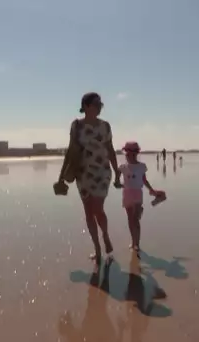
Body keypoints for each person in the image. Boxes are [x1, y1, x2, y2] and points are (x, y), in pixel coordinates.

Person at [56, 92, 121, 262]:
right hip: (82, 173)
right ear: (86, 106)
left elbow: (110, 149)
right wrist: (61, 176)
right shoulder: (76, 126)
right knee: (88, 212)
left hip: (102, 172)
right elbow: (70, 150)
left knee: (98, 209)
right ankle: (97, 249)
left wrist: (117, 173)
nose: (99, 107)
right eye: (96, 104)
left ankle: (105, 235)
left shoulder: (105, 126)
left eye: (101, 104)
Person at [116, 141, 159, 253]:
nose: (128, 155)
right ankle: (133, 241)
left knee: (135, 219)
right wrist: (117, 183)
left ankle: (137, 244)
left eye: (130, 153)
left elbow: (144, 180)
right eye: (126, 153)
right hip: (127, 193)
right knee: (130, 219)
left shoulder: (141, 166)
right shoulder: (122, 167)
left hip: (137, 193)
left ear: (135, 153)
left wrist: (151, 190)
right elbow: (116, 182)